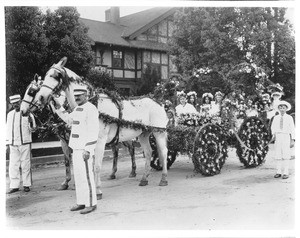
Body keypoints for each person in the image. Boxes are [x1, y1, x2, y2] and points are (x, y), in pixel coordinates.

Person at [51, 85, 99, 214]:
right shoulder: (78, 109)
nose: (77, 98)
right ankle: (81, 202)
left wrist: (88, 149)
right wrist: (58, 107)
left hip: (85, 149)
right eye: (75, 96)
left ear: (86, 96)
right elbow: (68, 119)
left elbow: (94, 131)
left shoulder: (91, 109)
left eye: (79, 96)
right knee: (78, 177)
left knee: (87, 177)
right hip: (76, 148)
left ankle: (91, 203)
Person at [6, 94, 36, 194]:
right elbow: (8, 129)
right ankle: (14, 185)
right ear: (11, 104)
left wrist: (31, 122)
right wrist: (7, 142)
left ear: (21, 102)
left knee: (25, 164)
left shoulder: (28, 113)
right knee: (13, 164)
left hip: (25, 142)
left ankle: (26, 184)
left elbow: (33, 128)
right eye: (13, 103)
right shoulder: (9, 115)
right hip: (13, 143)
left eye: (17, 103)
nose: (16, 105)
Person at [271, 101, 295, 179]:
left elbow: (292, 129)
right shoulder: (276, 118)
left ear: (286, 109)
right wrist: (273, 135)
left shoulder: (289, 118)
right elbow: (273, 127)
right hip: (278, 136)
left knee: (286, 154)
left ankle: (286, 172)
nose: (282, 109)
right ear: (278, 108)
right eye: (280, 107)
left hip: (286, 136)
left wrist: (292, 140)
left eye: (283, 108)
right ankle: (278, 172)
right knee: (278, 154)